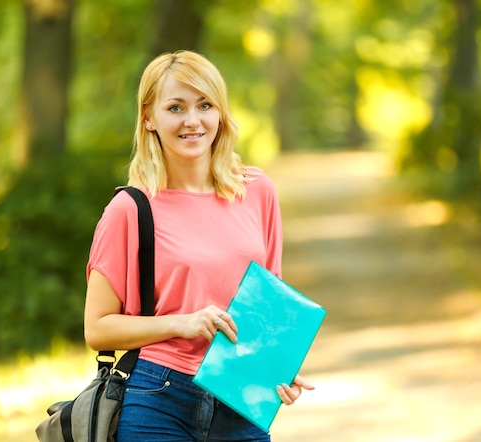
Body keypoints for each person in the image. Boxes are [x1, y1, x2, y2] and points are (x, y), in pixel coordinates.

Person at [83, 50, 314, 441]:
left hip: (239, 396)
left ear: (220, 113)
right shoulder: (130, 209)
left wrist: (276, 367)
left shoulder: (257, 192)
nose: (193, 121)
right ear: (149, 118)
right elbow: (98, 328)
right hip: (157, 399)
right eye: (176, 107)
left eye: (205, 105)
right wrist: (183, 322)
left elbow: (268, 308)